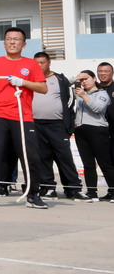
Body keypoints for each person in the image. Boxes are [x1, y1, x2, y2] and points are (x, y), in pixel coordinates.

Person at [0, 27, 47, 209]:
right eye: (9, 39)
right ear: (4, 42)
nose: (12, 42)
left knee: (30, 155)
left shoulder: (31, 64)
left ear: (24, 44)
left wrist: (23, 82)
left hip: (23, 116)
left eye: (16, 39)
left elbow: (43, 88)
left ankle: (33, 194)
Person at [31, 52, 89, 201]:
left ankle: (73, 189)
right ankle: (48, 188)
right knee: (43, 158)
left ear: (49, 63)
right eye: (36, 63)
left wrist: (67, 124)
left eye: (42, 62)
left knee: (64, 157)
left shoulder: (60, 79)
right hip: (36, 124)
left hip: (57, 125)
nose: (39, 65)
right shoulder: (30, 80)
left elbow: (70, 102)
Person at [73, 70, 114, 202]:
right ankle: (92, 192)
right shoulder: (79, 92)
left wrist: (84, 96)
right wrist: (76, 78)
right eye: (81, 80)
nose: (84, 82)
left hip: (97, 130)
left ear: (94, 79)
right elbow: (65, 84)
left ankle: (113, 191)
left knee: (104, 163)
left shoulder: (102, 94)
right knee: (88, 164)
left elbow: (98, 109)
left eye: (86, 78)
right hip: (80, 129)